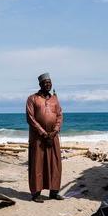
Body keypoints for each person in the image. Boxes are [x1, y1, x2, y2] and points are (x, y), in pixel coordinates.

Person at [26, 72, 64, 202]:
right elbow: (30, 118)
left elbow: (59, 116)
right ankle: (36, 194)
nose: (48, 84)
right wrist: (43, 133)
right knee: (38, 164)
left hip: (53, 136)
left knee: (55, 164)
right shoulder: (32, 98)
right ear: (40, 84)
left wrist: (54, 132)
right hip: (38, 137)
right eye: (45, 83)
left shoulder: (54, 99)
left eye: (49, 82)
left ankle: (54, 192)